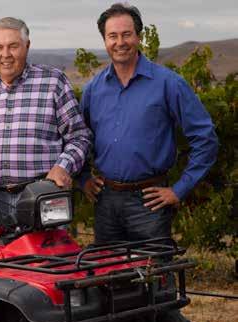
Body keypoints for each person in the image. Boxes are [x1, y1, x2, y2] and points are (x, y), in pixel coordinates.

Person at [80, 3, 218, 243]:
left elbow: (205, 139)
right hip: (106, 200)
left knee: (154, 275)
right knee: (109, 276)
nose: (120, 42)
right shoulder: (93, 89)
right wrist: (83, 180)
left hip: (149, 201)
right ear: (104, 40)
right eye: (113, 36)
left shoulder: (168, 84)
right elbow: (78, 138)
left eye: (127, 34)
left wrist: (179, 189)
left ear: (139, 37)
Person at [0, 17, 92, 227]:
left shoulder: (54, 82)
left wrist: (64, 167)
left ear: (27, 46)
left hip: (43, 197)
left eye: (13, 46)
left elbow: (80, 137)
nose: (5, 54)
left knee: (48, 259)